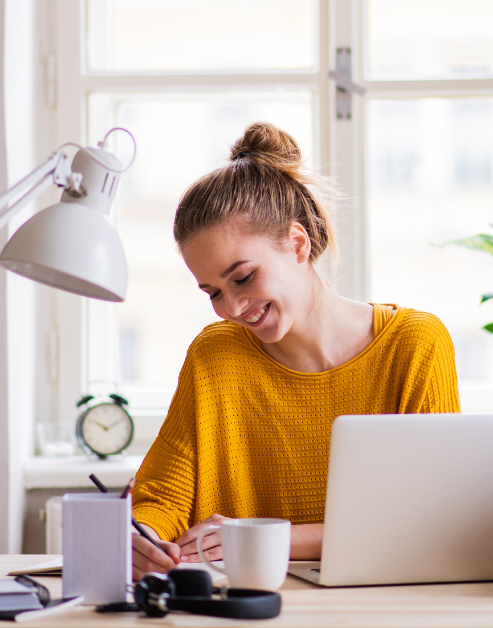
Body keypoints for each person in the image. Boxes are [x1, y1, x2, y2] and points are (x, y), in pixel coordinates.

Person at [128, 122, 460, 579]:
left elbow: (430, 518)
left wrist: (259, 536)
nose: (233, 307)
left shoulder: (414, 345)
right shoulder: (214, 356)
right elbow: (163, 497)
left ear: (298, 243)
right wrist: (141, 538)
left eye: (242, 277)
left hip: (383, 605)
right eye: (213, 292)